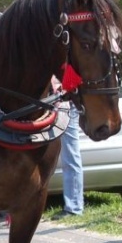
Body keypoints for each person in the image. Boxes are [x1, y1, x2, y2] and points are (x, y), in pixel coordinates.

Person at [52, 83, 84, 219]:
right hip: (56, 104)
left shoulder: (68, 63)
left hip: (65, 105)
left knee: (70, 156)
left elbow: (72, 81)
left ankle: (74, 207)